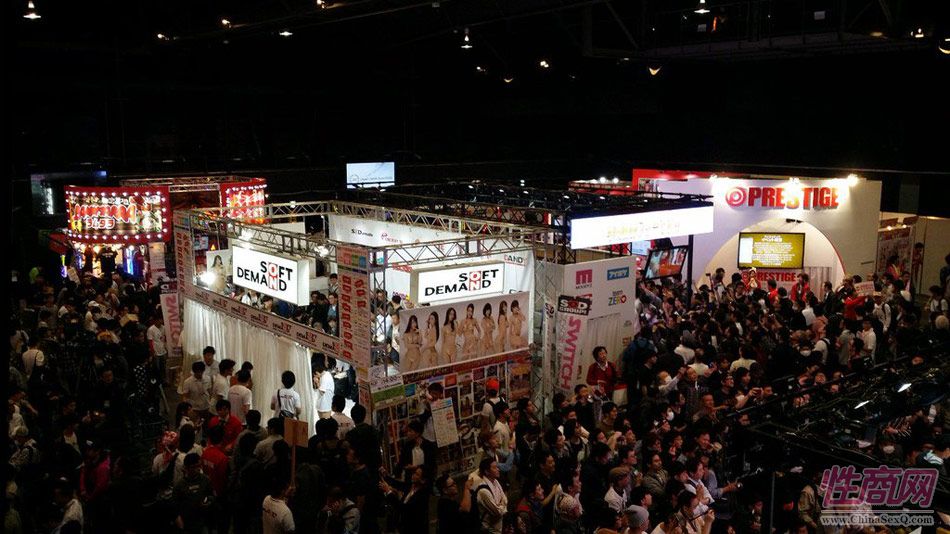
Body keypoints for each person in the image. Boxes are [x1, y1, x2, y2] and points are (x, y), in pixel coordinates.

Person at [379, 459, 432, 534]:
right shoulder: (412, 486)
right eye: (414, 472)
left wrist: (388, 491)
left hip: (415, 529)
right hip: (405, 527)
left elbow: (403, 508)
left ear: (423, 480)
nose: (413, 475)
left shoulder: (422, 495)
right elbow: (398, 484)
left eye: (417, 474)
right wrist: (385, 475)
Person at [174, 452, 213, 534]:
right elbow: (175, 507)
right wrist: (179, 522)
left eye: (199, 466)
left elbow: (211, 495)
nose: (197, 469)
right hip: (187, 523)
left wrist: (208, 501)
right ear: (186, 468)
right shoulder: (179, 485)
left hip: (202, 521)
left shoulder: (205, 480)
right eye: (194, 467)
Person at [475, 458, 509, 534]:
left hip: (499, 526)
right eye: (494, 467)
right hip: (489, 530)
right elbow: (497, 512)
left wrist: (500, 505)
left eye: (497, 467)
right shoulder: (483, 490)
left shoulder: (495, 481)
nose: (498, 469)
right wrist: (503, 507)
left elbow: (505, 499)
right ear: (487, 471)